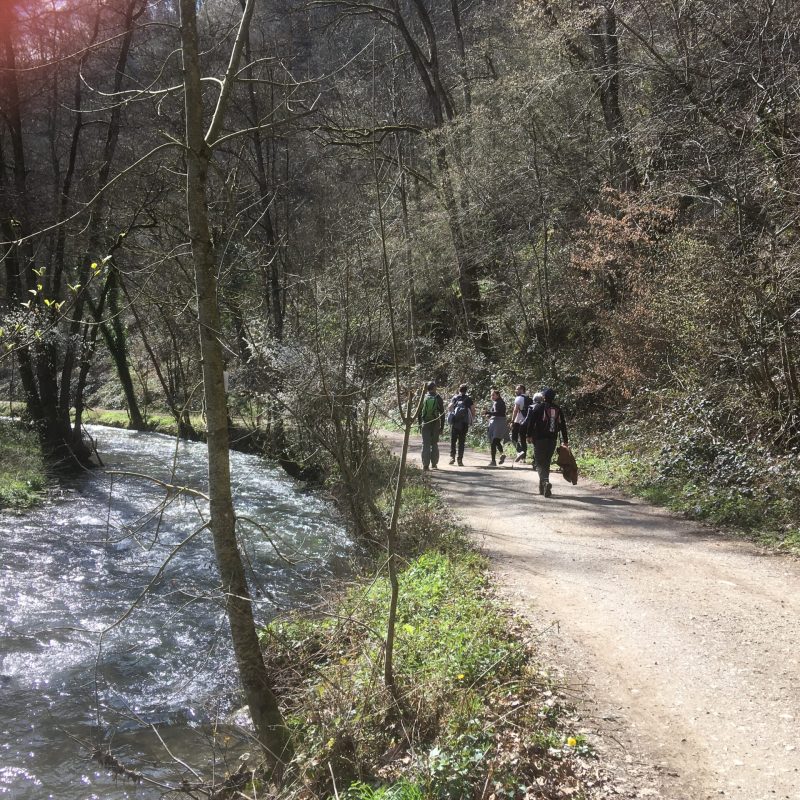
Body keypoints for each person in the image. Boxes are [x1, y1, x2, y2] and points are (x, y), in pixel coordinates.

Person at [528, 387, 568, 497]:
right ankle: (543, 488)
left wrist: (529, 435)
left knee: (539, 463)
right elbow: (563, 425)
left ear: (544, 397)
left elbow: (531, 422)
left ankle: (545, 482)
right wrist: (565, 440)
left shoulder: (539, 407)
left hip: (540, 439)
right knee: (546, 462)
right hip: (552, 439)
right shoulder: (558, 409)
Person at [418, 381, 445, 471]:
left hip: (425, 423)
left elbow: (419, 412)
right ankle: (434, 464)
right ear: (434, 388)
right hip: (435, 423)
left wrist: (419, 424)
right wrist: (442, 427)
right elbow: (442, 413)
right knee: (434, 444)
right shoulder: (438, 398)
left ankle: (425, 465)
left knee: (425, 444)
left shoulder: (423, 397)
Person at [447, 383, 474, 466]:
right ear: (466, 390)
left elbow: (449, 407)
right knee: (461, 442)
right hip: (464, 423)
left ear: (459, 389)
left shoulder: (455, 398)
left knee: (453, 441)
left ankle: (452, 457)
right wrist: (472, 420)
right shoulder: (468, 399)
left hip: (455, 422)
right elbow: (473, 410)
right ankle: (460, 460)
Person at [484, 388, 508, 466]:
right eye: (491, 395)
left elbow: (499, 413)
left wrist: (488, 412)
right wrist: (490, 414)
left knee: (493, 442)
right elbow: (498, 413)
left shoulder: (498, 403)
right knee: (496, 440)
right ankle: (502, 454)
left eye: (493, 395)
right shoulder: (499, 402)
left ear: (497, 395)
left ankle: (493, 461)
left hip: (498, 423)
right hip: (499, 423)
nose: (492, 396)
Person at [510, 385, 532, 463]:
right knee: (523, 439)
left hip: (518, 421)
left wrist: (512, 421)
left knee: (513, 438)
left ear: (522, 390)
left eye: (517, 389)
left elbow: (515, 410)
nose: (516, 391)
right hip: (527, 422)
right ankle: (523, 458)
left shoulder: (518, 398)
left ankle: (519, 451)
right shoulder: (530, 399)